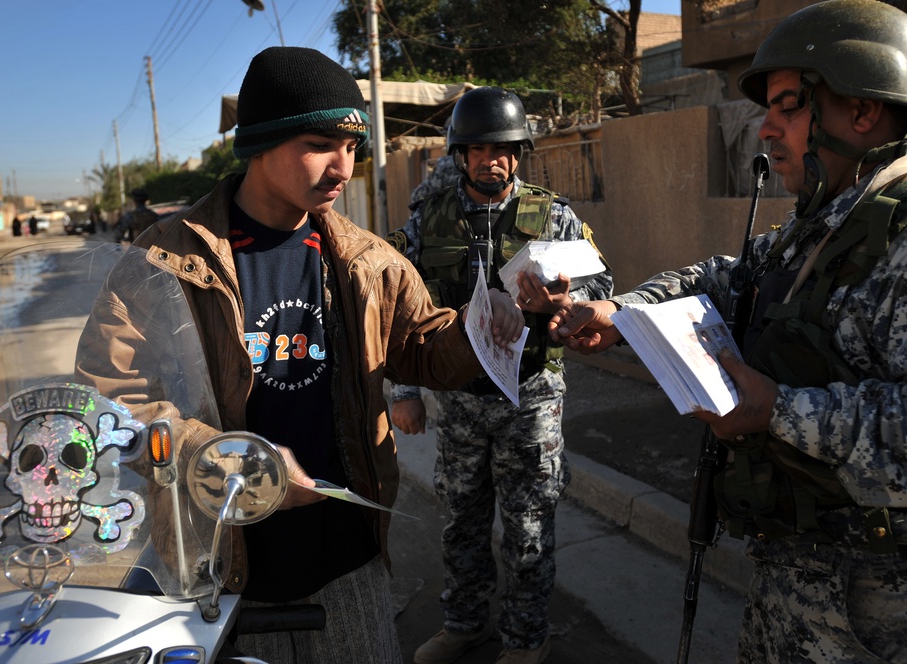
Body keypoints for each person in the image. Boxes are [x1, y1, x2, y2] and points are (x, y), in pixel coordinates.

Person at [75, 46, 524, 664]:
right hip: (219, 562)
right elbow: (109, 396)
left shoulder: (367, 259)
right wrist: (228, 460)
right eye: (322, 144)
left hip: (347, 557)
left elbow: (421, 347)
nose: (343, 167)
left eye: (353, 148)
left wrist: (480, 326)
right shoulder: (165, 260)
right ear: (262, 141)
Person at [548, 1, 907, 661]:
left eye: (789, 106)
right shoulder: (821, 225)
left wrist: (779, 411)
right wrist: (621, 313)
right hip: (790, 572)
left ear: (862, 110)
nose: (766, 129)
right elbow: (726, 277)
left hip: (874, 606)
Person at [386, 86, 613, 664]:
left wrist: (564, 300)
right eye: (481, 149)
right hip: (460, 402)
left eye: (507, 149)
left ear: (520, 154)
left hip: (531, 399)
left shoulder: (553, 215)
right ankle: (463, 624)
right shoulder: (426, 222)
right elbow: (395, 309)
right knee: (461, 522)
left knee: (529, 526)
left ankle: (524, 639)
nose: (495, 160)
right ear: (460, 154)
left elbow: (600, 286)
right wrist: (404, 390)